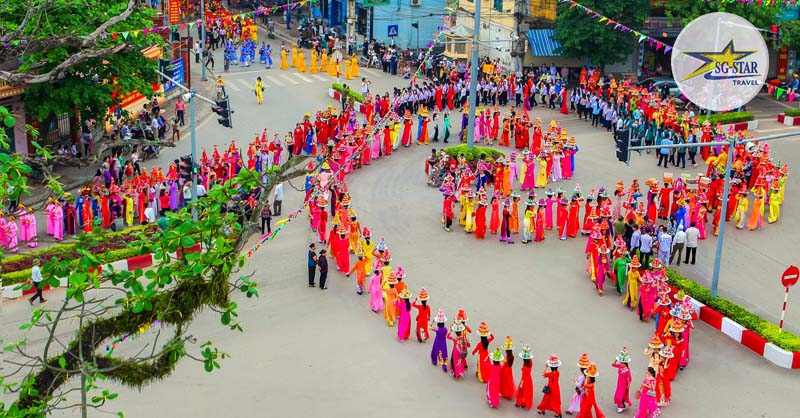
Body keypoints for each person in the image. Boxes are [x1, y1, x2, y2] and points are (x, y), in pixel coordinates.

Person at [612, 348, 632, 413]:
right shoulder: (620, 367)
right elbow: (613, 364)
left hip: (624, 384)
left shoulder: (627, 371)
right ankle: (621, 405)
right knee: (618, 394)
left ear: (625, 364)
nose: (620, 364)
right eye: (620, 362)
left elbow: (630, 379)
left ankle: (621, 406)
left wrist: (628, 385)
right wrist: (616, 359)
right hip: (619, 383)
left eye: (621, 363)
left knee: (620, 395)